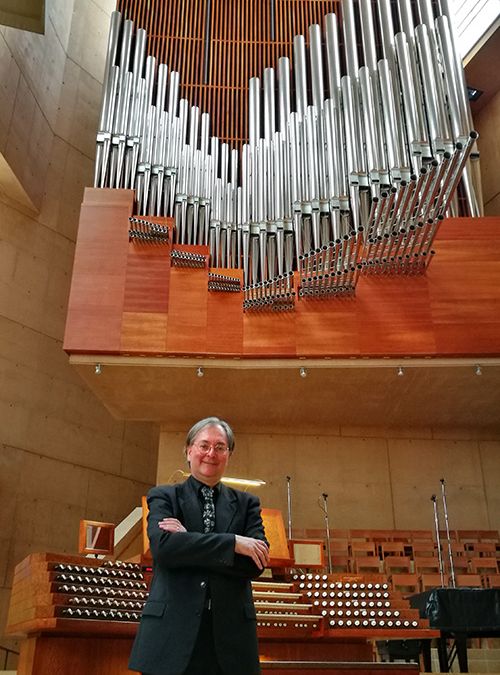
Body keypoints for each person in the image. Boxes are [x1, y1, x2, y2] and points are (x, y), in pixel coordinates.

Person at [129, 416, 270, 675]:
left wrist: (187, 540)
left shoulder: (248, 503)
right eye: (204, 445)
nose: (211, 453)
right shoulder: (163, 496)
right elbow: (164, 549)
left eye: (220, 447)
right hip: (170, 635)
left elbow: (254, 563)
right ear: (189, 450)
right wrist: (233, 543)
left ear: (229, 454)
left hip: (230, 641)